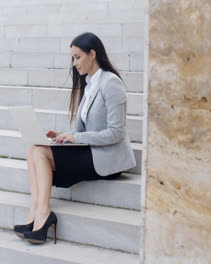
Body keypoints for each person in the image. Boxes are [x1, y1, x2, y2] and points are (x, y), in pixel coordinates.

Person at [13, 32, 136, 244]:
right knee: (34, 149)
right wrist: (63, 136)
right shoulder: (89, 86)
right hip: (91, 150)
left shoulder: (111, 83)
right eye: (72, 58)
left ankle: (43, 213)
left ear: (92, 54)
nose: (74, 63)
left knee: (40, 153)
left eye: (77, 57)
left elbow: (115, 133)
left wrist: (75, 137)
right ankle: (34, 213)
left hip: (108, 158)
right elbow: (84, 130)